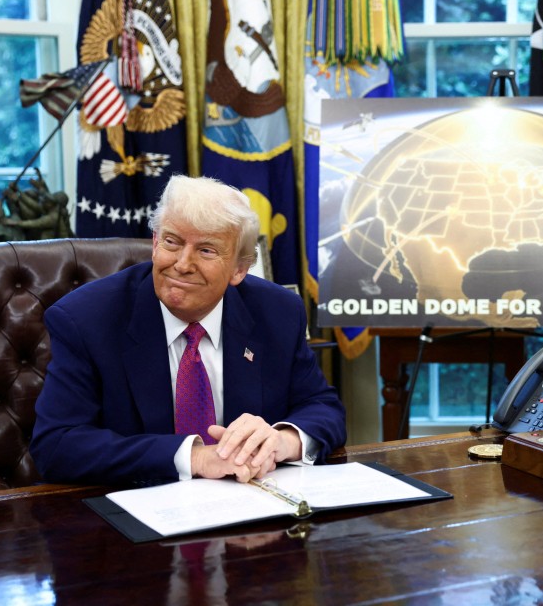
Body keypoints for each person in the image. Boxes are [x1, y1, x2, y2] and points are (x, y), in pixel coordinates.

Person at [30, 175, 347, 487]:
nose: (182, 264)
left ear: (239, 269)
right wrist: (196, 458)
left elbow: (322, 406)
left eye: (206, 250)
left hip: (251, 511)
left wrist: (280, 441)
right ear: (155, 244)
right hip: (133, 516)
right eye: (172, 242)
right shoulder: (85, 319)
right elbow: (57, 445)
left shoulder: (277, 312)